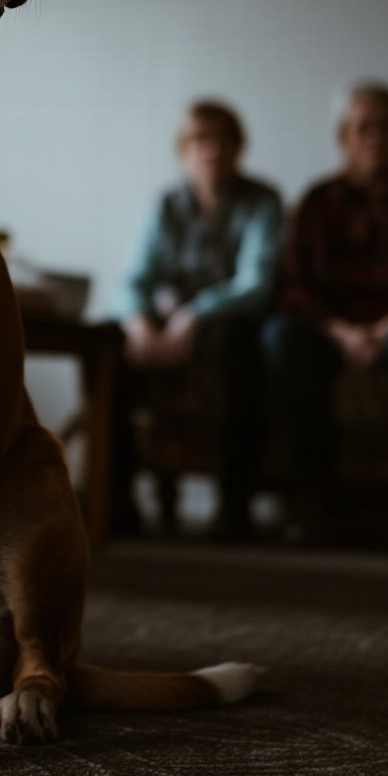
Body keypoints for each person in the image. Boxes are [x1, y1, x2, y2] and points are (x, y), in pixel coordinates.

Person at [111, 100, 284, 539]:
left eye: (222, 141)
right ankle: (116, 503)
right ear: (185, 150)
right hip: (168, 324)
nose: (212, 151)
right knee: (109, 344)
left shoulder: (262, 201)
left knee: (238, 345)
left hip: (226, 323)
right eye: (201, 142)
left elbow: (256, 284)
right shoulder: (165, 204)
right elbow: (132, 279)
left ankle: (233, 507)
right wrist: (137, 323)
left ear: (237, 148)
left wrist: (195, 314)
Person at [262, 83, 388, 543]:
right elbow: (294, 288)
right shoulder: (318, 201)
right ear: (345, 136)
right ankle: (308, 501)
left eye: (386, 127)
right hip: (331, 331)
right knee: (282, 336)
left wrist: (385, 330)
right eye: (364, 128)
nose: (375, 138)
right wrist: (342, 332)